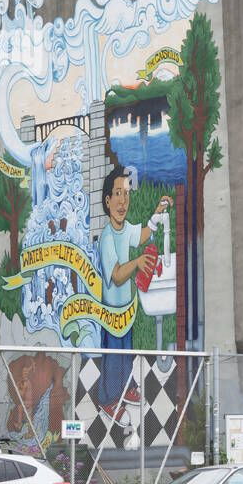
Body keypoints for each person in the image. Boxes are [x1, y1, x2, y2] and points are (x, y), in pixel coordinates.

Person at [97, 166, 170, 417]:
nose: (123, 200)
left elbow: (141, 237)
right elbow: (116, 276)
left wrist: (156, 216)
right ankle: (108, 399)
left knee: (126, 351)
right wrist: (138, 263)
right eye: (117, 193)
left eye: (126, 193)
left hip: (126, 307)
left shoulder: (125, 228)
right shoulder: (106, 237)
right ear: (107, 201)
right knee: (113, 354)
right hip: (111, 311)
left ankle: (126, 387)